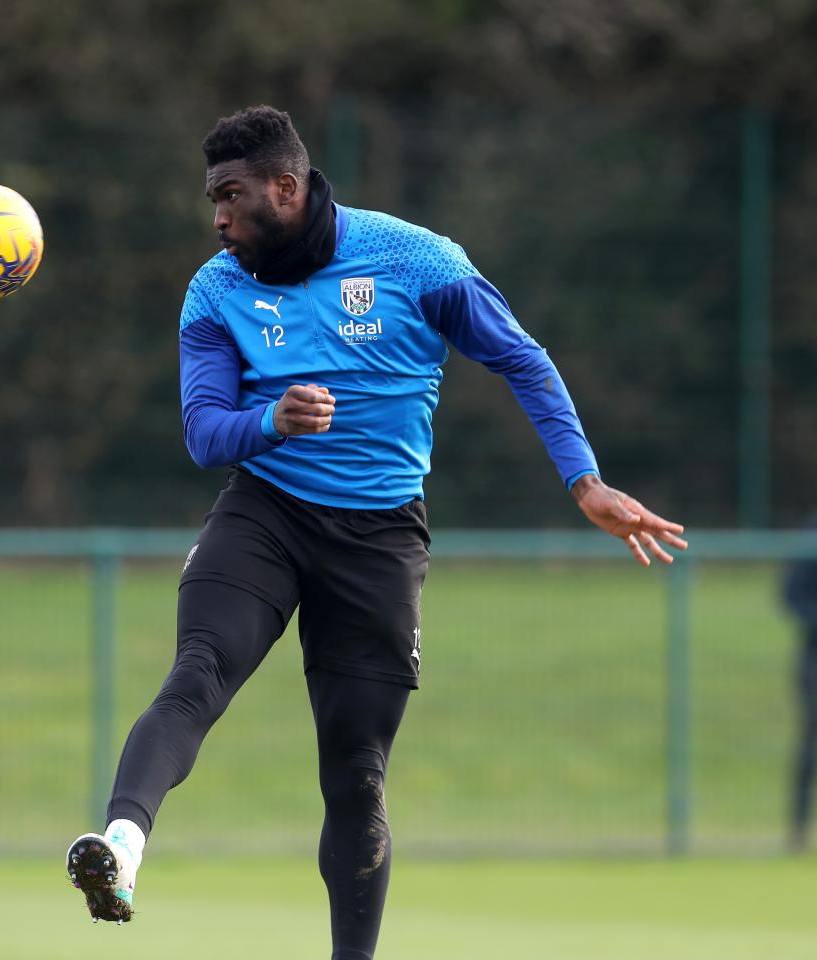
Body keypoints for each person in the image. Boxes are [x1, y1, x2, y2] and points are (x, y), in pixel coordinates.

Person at [65, 105, 687, 956]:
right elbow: (205, 433)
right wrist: (272, 420)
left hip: (379, 538)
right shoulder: (215, 289)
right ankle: (121, 850)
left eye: (231, 195)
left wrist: (585, 480)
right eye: (212, 199)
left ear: (286, 187)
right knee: (197, 672)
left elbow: (522, 358)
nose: (217, 218)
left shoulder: (416, 261)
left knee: (356, 774)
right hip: (265, 512)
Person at [782, 517, 817, 853]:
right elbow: (790, 595)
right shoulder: (810, 536)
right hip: (814, 658)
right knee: (811, 743)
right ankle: (798, 830)